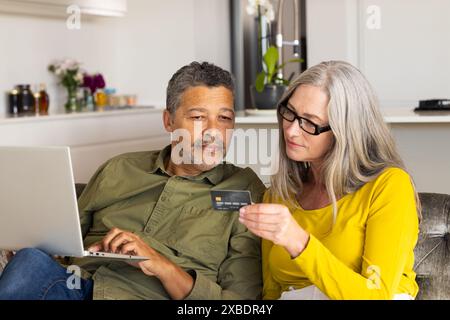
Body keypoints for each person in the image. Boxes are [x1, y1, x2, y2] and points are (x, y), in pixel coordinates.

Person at [0, 62, 266, 300]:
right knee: (29, 262)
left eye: (225, 118)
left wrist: (161, 265)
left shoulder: (243, 189)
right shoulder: (119, 168)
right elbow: (61, 242)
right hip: (74, 289)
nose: (213, 132)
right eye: (198, 117)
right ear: (168, 121)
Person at [239, 61, 421, 300]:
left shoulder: (389, 186)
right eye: (290, 113)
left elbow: (376, 295)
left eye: (309, 122)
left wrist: (299, 242)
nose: (291, 131)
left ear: (343, 132)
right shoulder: (282, 193)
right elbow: (272, 291)